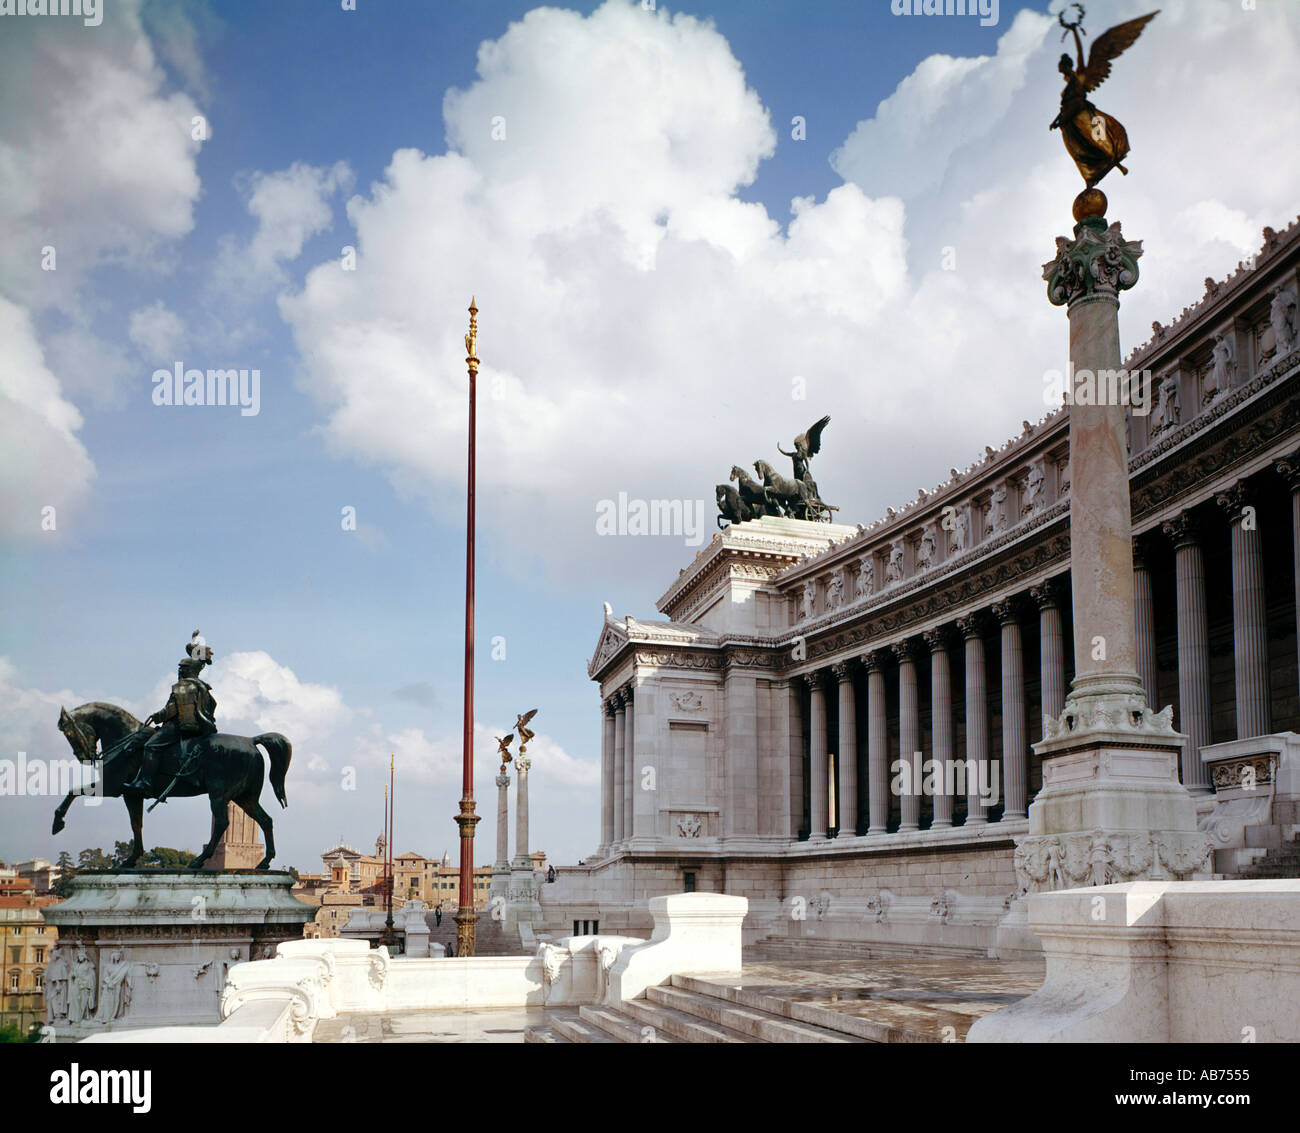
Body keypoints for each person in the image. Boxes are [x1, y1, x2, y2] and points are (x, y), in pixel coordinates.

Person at [126, 633, 218, 796]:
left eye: (182, 668)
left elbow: (173, 710)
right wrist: (193, 644)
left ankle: (146, 782)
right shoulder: (200, 686)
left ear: (187, 669)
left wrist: (157, 716)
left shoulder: (183, 687)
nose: (179, 670)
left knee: (150, 746)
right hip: (195, 727)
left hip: (178, 727)